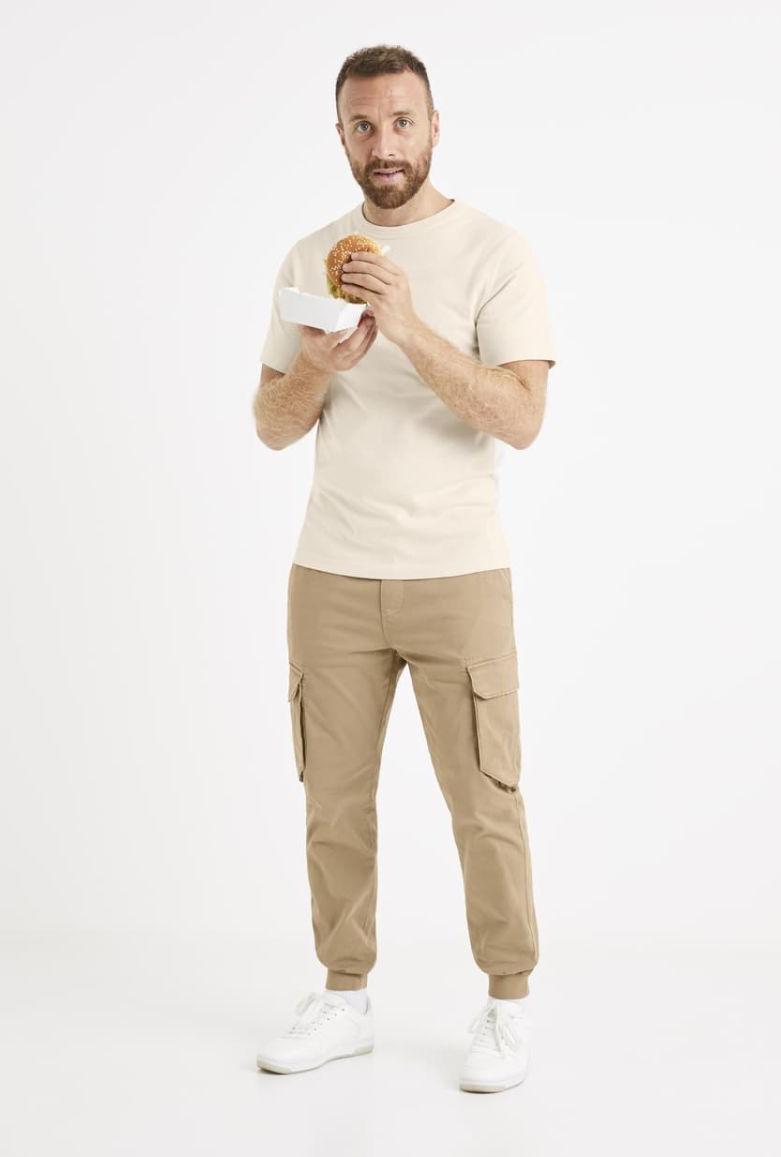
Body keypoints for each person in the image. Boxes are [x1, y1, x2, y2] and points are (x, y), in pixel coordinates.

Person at [252, 44, 556, 1094]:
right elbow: (270, 424)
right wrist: (316, 364)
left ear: (434, 127)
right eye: (363, 125)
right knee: (333, 801)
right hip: (331, 571)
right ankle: (344, 998)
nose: (384, 144)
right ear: (340, 135)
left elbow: (522, 417)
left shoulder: (494, 251)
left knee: (485, 799)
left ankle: (506, 1003)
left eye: (401, 122)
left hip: (457, 571)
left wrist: (411, 328)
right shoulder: (309, 258)